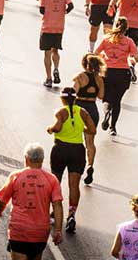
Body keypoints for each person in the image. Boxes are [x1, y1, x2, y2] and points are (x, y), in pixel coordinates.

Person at [0, 143, 64, 260]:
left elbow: (1, 202)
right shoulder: (52, 179)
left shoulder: (15, 176)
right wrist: (58, 230)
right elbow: (58, 205)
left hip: (19, 231)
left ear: (26, 159)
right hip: (40, 233)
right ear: (42, 160)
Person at [46, 87, 96, 234]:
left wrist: (49, 129)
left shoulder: (60, 112)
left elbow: (57, 127)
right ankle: (71, 214)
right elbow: (92, 130)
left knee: (56, 182)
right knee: (74, 185)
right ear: (75, 99)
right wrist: (80, 129)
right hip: (77, 151)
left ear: (62, 99)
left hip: (60, 149)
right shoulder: (83, 112)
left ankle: (55, 211)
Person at [96, 18, 138, 136]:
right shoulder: (129, 41)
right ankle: (113, 127)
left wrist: (103, 58)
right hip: (122, 73)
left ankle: (106, 113)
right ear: (126, 29)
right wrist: (131, 60)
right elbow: (137, 57)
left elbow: (95, 53)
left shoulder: (106, 39)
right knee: (117, 101)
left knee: (106, 98)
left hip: (108, 72)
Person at [72, 54, 105, 185]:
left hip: (80, 108)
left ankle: (76, 165)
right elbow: (101, 96)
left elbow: (73, 93)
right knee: (90, 142)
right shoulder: (99, 79)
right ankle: (90, 165)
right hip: (92, 109)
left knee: (75, 138)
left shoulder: (79, 77)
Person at [36, 0, 73, 87]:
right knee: (55, 50)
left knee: (47, 53)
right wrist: (63, 12)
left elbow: (42, 10)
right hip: (59, 26)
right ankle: (56, 68)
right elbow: (71, 6)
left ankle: (48, 78)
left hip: (47, 26)